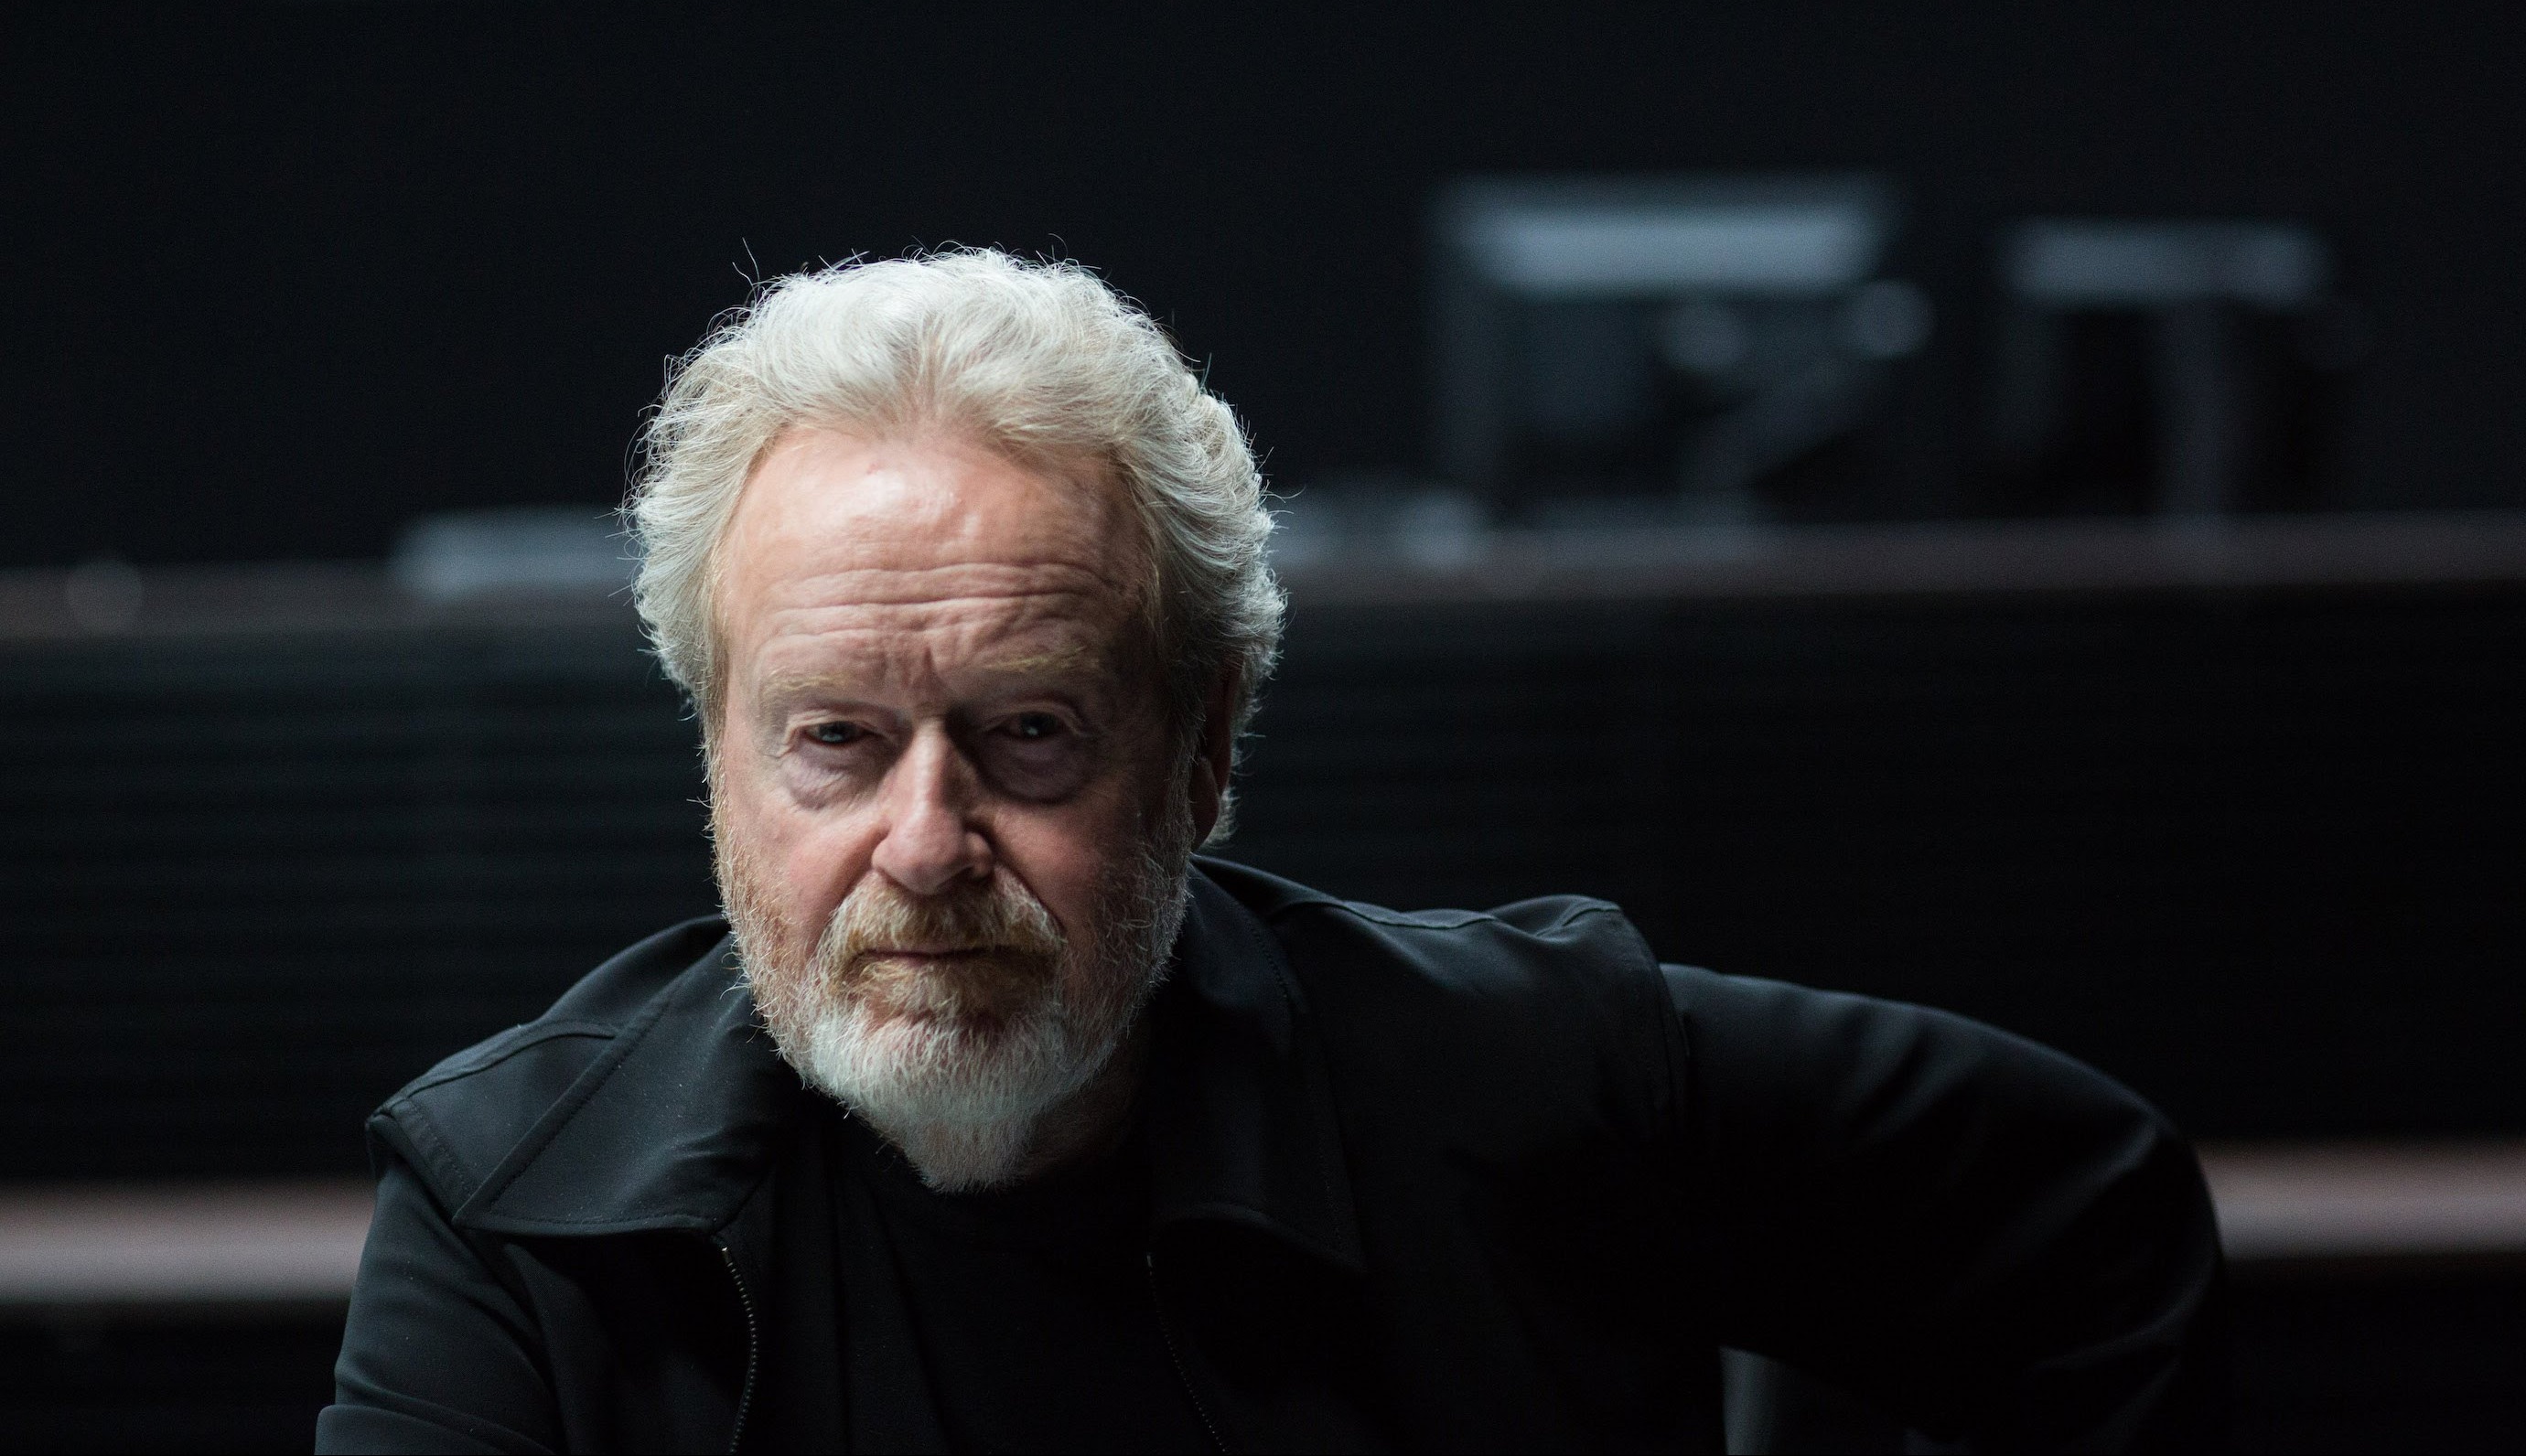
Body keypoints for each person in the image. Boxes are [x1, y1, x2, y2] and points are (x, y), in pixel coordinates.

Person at [317, 249, 2219, 1455]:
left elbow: (2098, 1224)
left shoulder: (1522, 1074)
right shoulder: (517, 1212)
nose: (926, 843)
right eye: (835, 741)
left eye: (1030, 734)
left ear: (1205, 747)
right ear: (720, 759)